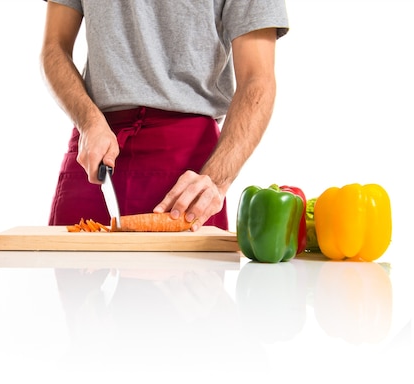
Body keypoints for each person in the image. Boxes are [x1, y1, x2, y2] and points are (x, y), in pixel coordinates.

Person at [40, 1, 289, 231]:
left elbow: (258, 79)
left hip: (188, 170)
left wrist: (215, 179)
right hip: (95, 156)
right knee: (76, 277)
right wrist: (88, 122)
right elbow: (54, 47)